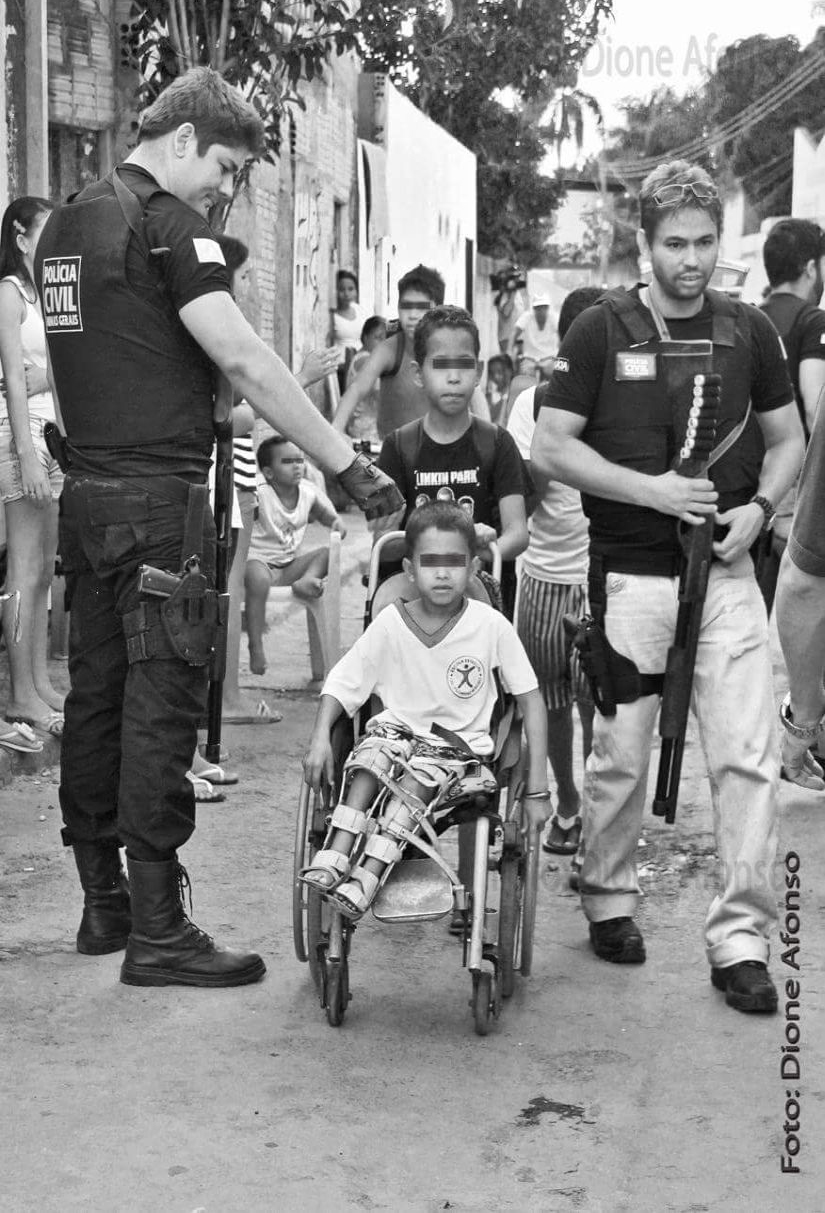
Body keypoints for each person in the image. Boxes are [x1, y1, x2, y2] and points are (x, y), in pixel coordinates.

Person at [33, 66, 403, 988]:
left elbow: (128, 361)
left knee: (98, 699)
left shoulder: (66, 227)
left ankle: (102, 905)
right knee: (159, 706)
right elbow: (241, 355)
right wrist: (343, 463)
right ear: (186, 140)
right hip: (159, 505)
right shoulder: (169, 227)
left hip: (89, 500)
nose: (227, 190)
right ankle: (159, 930)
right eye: (228, 168)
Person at [531, 160, 803, 1014]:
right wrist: (649, 490)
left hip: (725, 578)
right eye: (674, 243)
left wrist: (761, 507)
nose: (691, 259)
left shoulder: (750, 330)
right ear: (642, 246)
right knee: (619, 757)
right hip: (628, 577)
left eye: (704, 241)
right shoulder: (600, 332)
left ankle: (739, 938)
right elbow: (549, 446)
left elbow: (789, 437)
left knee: (746, 759)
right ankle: (607, 894)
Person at [301, 500, 551, 918]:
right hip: (393, 739)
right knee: (368, 756)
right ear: (409, 570)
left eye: (454, 563)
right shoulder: (389, 624)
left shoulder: (491, 627)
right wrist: (319, 740)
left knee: (419, 776)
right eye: (430, 563)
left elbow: (531, 701)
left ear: (473, 569)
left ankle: (368, 875)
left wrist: (538, 791)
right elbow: (341, 686)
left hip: (457, 753)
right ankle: (337, 852)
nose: (442, 573)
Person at [507, 287, 601, 868]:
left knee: (605, 705)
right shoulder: (531, 404)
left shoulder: (630, 402)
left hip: (605, 573)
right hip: (543, 574)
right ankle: (567, 804)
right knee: (555, 703)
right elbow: (525, 493)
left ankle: (600, 816)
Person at [376, 305, 531, 620]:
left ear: (479, 371)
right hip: (412, 606)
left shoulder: (498, 444)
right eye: (441, 365)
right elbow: (383, 544)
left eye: (464, 365)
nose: (453, 377)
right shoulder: (397, 447)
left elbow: (518, 534)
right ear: (419, 374)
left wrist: (486, 544)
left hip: (480, 603)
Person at [0, 196, 64, 753]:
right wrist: (24, 453)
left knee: (45, 568)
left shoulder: (45, 295)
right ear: (21, 239)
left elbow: (53, 373)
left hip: (50, 436)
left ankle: (40, 681)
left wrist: (47, 375)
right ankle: (20, 689)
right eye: (47, 234)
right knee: (23, 568)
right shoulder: (9, 294)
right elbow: (14, 381)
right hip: (20, 437)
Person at [332, 264, 489, 439]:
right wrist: (336, 429)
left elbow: (476, 395)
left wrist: (488, 441)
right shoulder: (391, 349)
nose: (412, 315)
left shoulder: (451, 349)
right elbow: (357, 388)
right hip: (395, 453)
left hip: (441, 450)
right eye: (406, 307)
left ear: (437, 310)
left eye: (421, 308)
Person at [756, 219, 825, 612]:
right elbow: (817, 410)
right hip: (795, 488)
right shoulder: (813, 321)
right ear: (811, 267)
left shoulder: (750, 318)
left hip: (756, 483)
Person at [244, 435, 345, 676]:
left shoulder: (308, 492)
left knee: (326, 554)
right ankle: (255, 645)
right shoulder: (260, 492)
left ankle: (306, 580)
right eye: (288, 461)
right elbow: (240, 518)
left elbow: (329, 518)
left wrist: (337, 524)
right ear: (268, 472)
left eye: (300, 460)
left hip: (289, 566)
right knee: (257, 577)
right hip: (257, 563)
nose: (297, 466)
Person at [343, 314, 387, 447]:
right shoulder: (366, 360)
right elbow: (383, 393)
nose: (383, 343)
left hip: (366, 422)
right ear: (365, 337)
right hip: (364, 427)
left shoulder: (366, 357)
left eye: (385, 338)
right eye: (378, 338)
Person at [330, 269, 366, 394]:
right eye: (341, 289)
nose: (346, 293)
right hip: (340, 369)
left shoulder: (359, 310)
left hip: (360, 367)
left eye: (351, 289)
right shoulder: (331, 315)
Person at [513, 293, 558, 379]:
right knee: (524, 376)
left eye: (544, 307)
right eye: (538, 308)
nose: (541, 311)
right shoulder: (527, 317)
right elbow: (514, 333)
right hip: (529, 358)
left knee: (557, 374)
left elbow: (563, 334)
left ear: (547, 308)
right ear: (534, 309)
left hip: (550, 358)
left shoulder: (554, 317)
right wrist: (509, 350)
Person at [484, 353, 513, 425]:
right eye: (492, 373)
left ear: (509, 371)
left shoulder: (517, 394)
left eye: (500, 372)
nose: (496, 377)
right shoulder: (488, 397)